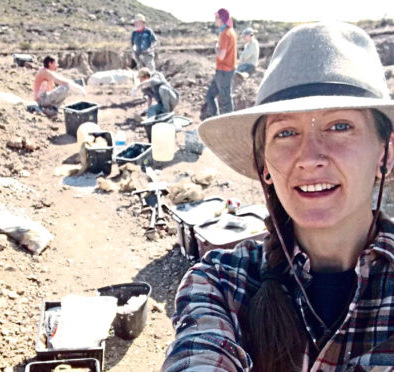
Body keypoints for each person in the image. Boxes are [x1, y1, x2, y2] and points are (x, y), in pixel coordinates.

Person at [163, 22, 394, 371]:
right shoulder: (221, 283)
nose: (310, 157)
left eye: (340, 126)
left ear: (385, 155)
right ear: (264, 166)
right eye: (286, 133)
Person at [204, 8, 237, 118]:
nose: (215, 20)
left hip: (224, 70)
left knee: (225, 100)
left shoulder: (225, 34)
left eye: (216, 17)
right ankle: (215, 119)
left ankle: (230, 124)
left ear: (221, 19)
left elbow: (221, 55)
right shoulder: (230, 32)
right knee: (210, 96)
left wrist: (216, 48)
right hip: (224, 70)